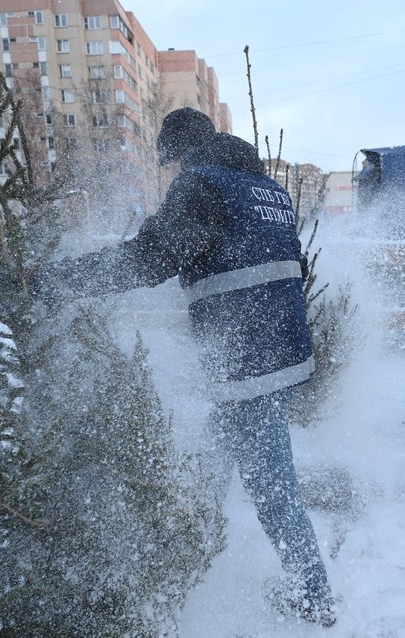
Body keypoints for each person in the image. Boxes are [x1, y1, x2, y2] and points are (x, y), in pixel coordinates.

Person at [34, 107, 335, 626]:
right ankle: (190, 559)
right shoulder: (267, 190)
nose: (170, 173)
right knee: (211, 462)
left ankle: (313, 597)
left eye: (168, 163)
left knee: (270, 485)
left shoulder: (201, 184)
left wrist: (51, 283)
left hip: (248, 363)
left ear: (177, 153)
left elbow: (149, 260)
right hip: (283, 352)